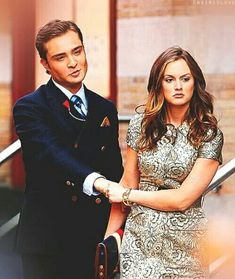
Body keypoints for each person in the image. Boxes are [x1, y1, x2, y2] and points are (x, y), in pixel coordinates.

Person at [99, 46, 224, 278]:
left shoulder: (209, 134)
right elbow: (127, 182)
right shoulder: (141, 125)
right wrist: (107, 244)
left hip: (187, 243)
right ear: (159, 84)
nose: (178, 86)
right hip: (140, 240)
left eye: (185, 79)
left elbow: (182, 199)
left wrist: (127, 195)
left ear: (195, 83)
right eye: (170, 79)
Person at [13, 19, 123, 279]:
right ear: (46, 65)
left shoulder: (104, 107)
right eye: (61, 57)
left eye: (77, 51)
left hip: (95, 236)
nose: (73, 62)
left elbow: (115, 168)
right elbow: (52, 154)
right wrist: (98, 182)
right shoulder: (30, 107)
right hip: (48, 241)